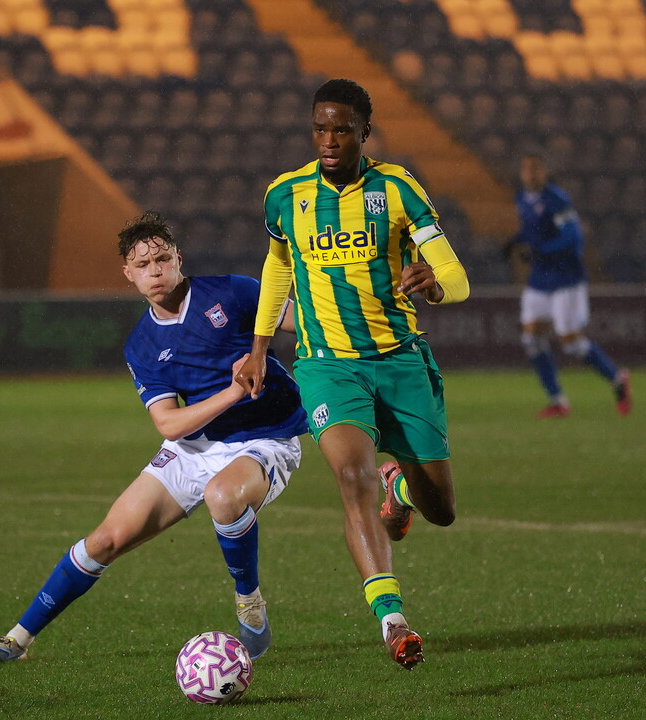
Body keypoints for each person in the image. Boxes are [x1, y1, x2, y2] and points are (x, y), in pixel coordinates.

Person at [0, 211, 308, 663]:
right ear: (129, 274)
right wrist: (233, 390)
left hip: (266, 437)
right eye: (143, 266)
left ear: (178, 258)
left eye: (162, 259)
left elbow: (303, 323)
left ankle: (250, 602)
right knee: (105, 540)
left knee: (222, 495)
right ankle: (16, 640)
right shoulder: (142, 345)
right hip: (192, 445)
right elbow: (168, 424)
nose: (155, 271)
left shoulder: (231, 291)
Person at [235, 79, 470, 670]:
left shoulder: (396, 189)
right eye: (320, 128)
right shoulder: (285, 196)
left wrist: (435, 285)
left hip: (400, 360)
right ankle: (393, 621)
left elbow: (456, 275)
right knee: (350, 473)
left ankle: (402, 488)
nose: (329, 139)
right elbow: (277, 265)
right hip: (327, 366)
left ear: (365, 132)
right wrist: (261, 344)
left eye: (342, 129)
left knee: (440, 508)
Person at [506, 152, 631, 419]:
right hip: (539, 279)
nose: (530, 174)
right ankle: (557, 400)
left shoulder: (557, 199)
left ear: (545, 171)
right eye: (526, 169)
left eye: (536, 169)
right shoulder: (522, 199)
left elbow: (572, 237)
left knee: (570, 342)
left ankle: (617, 378)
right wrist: (514, 241)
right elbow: (531, 231)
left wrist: (540, 252)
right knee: (532, 339)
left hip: (566, 279)